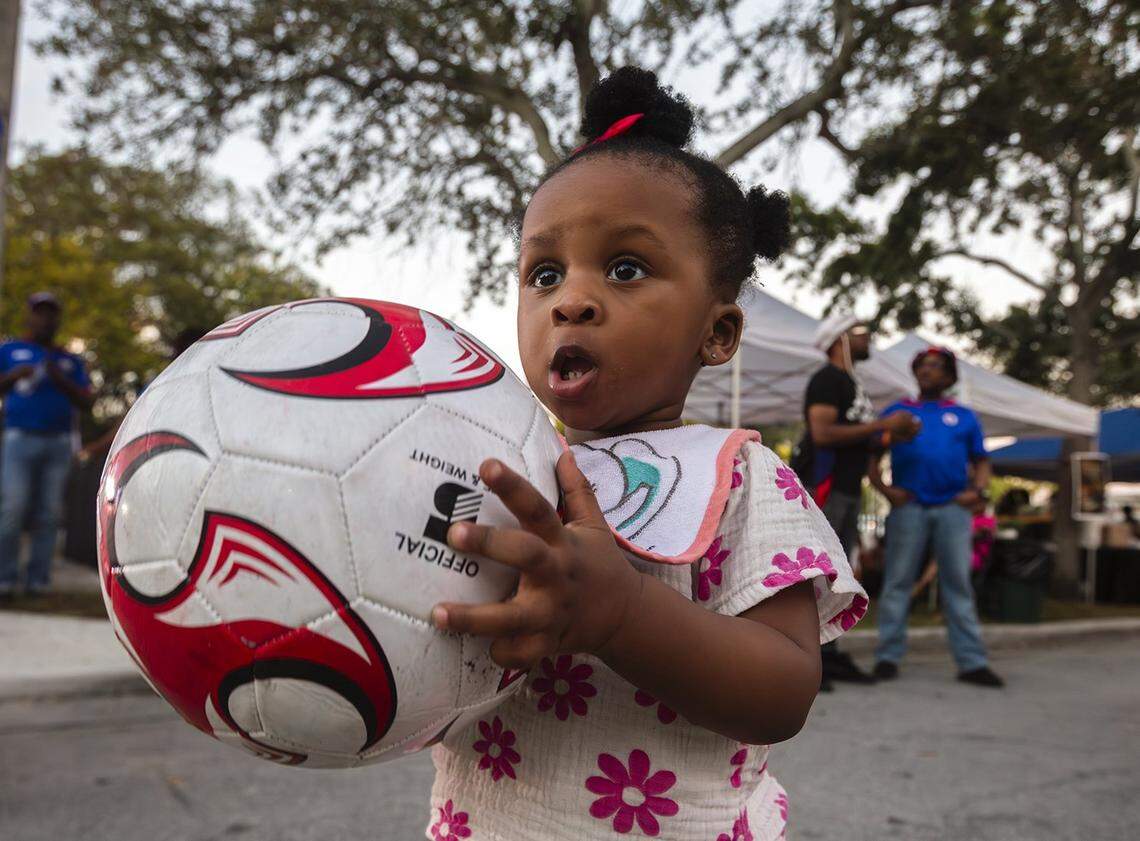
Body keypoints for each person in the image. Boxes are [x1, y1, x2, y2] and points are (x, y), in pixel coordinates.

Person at [424, 68, 867, 841]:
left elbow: (786, 687)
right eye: (545, 273)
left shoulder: (738, 479)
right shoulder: (505, 471)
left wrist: (622, 612)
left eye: (626, 268)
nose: (571, 299)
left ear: (718, 332)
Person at [793, 314, 920, 689]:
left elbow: (856, 436)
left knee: (837, 572)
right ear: (839, 340)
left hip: (846, 488)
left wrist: (892, 436)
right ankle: (808, 658)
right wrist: (883, 425)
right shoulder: (827, 379)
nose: (868, 339)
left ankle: (827, 655)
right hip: (824, 486)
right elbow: (823, 432)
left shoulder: (850, 383)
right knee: (819, 573)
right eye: (859, 333)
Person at [869, 346, 1004, 687]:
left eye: (937, 366)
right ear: (915, 372)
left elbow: (982, 461)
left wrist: (978, 492)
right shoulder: (899, 412)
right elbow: (872, 453)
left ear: (948, 376)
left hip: (953, 510)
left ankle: (972, 662)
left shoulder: (964, 416)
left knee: (957, 583)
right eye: (923, 365)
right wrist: (884, 490)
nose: (929, 370)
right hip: (908, 507)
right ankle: (887, 657)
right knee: (898, 581)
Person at [0, 293, 94, 596]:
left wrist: (59, 378)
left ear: (58, 319)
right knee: (13, 507)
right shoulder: (11, 350)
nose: (45, 319)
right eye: (40, 313)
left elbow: (86, 401)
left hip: (58, 442)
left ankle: (37, 582)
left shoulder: (68, 359)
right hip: (19, 437)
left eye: (51, 313)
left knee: (50, 513)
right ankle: (5, 578)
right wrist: (13, 376)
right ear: (29, 315)